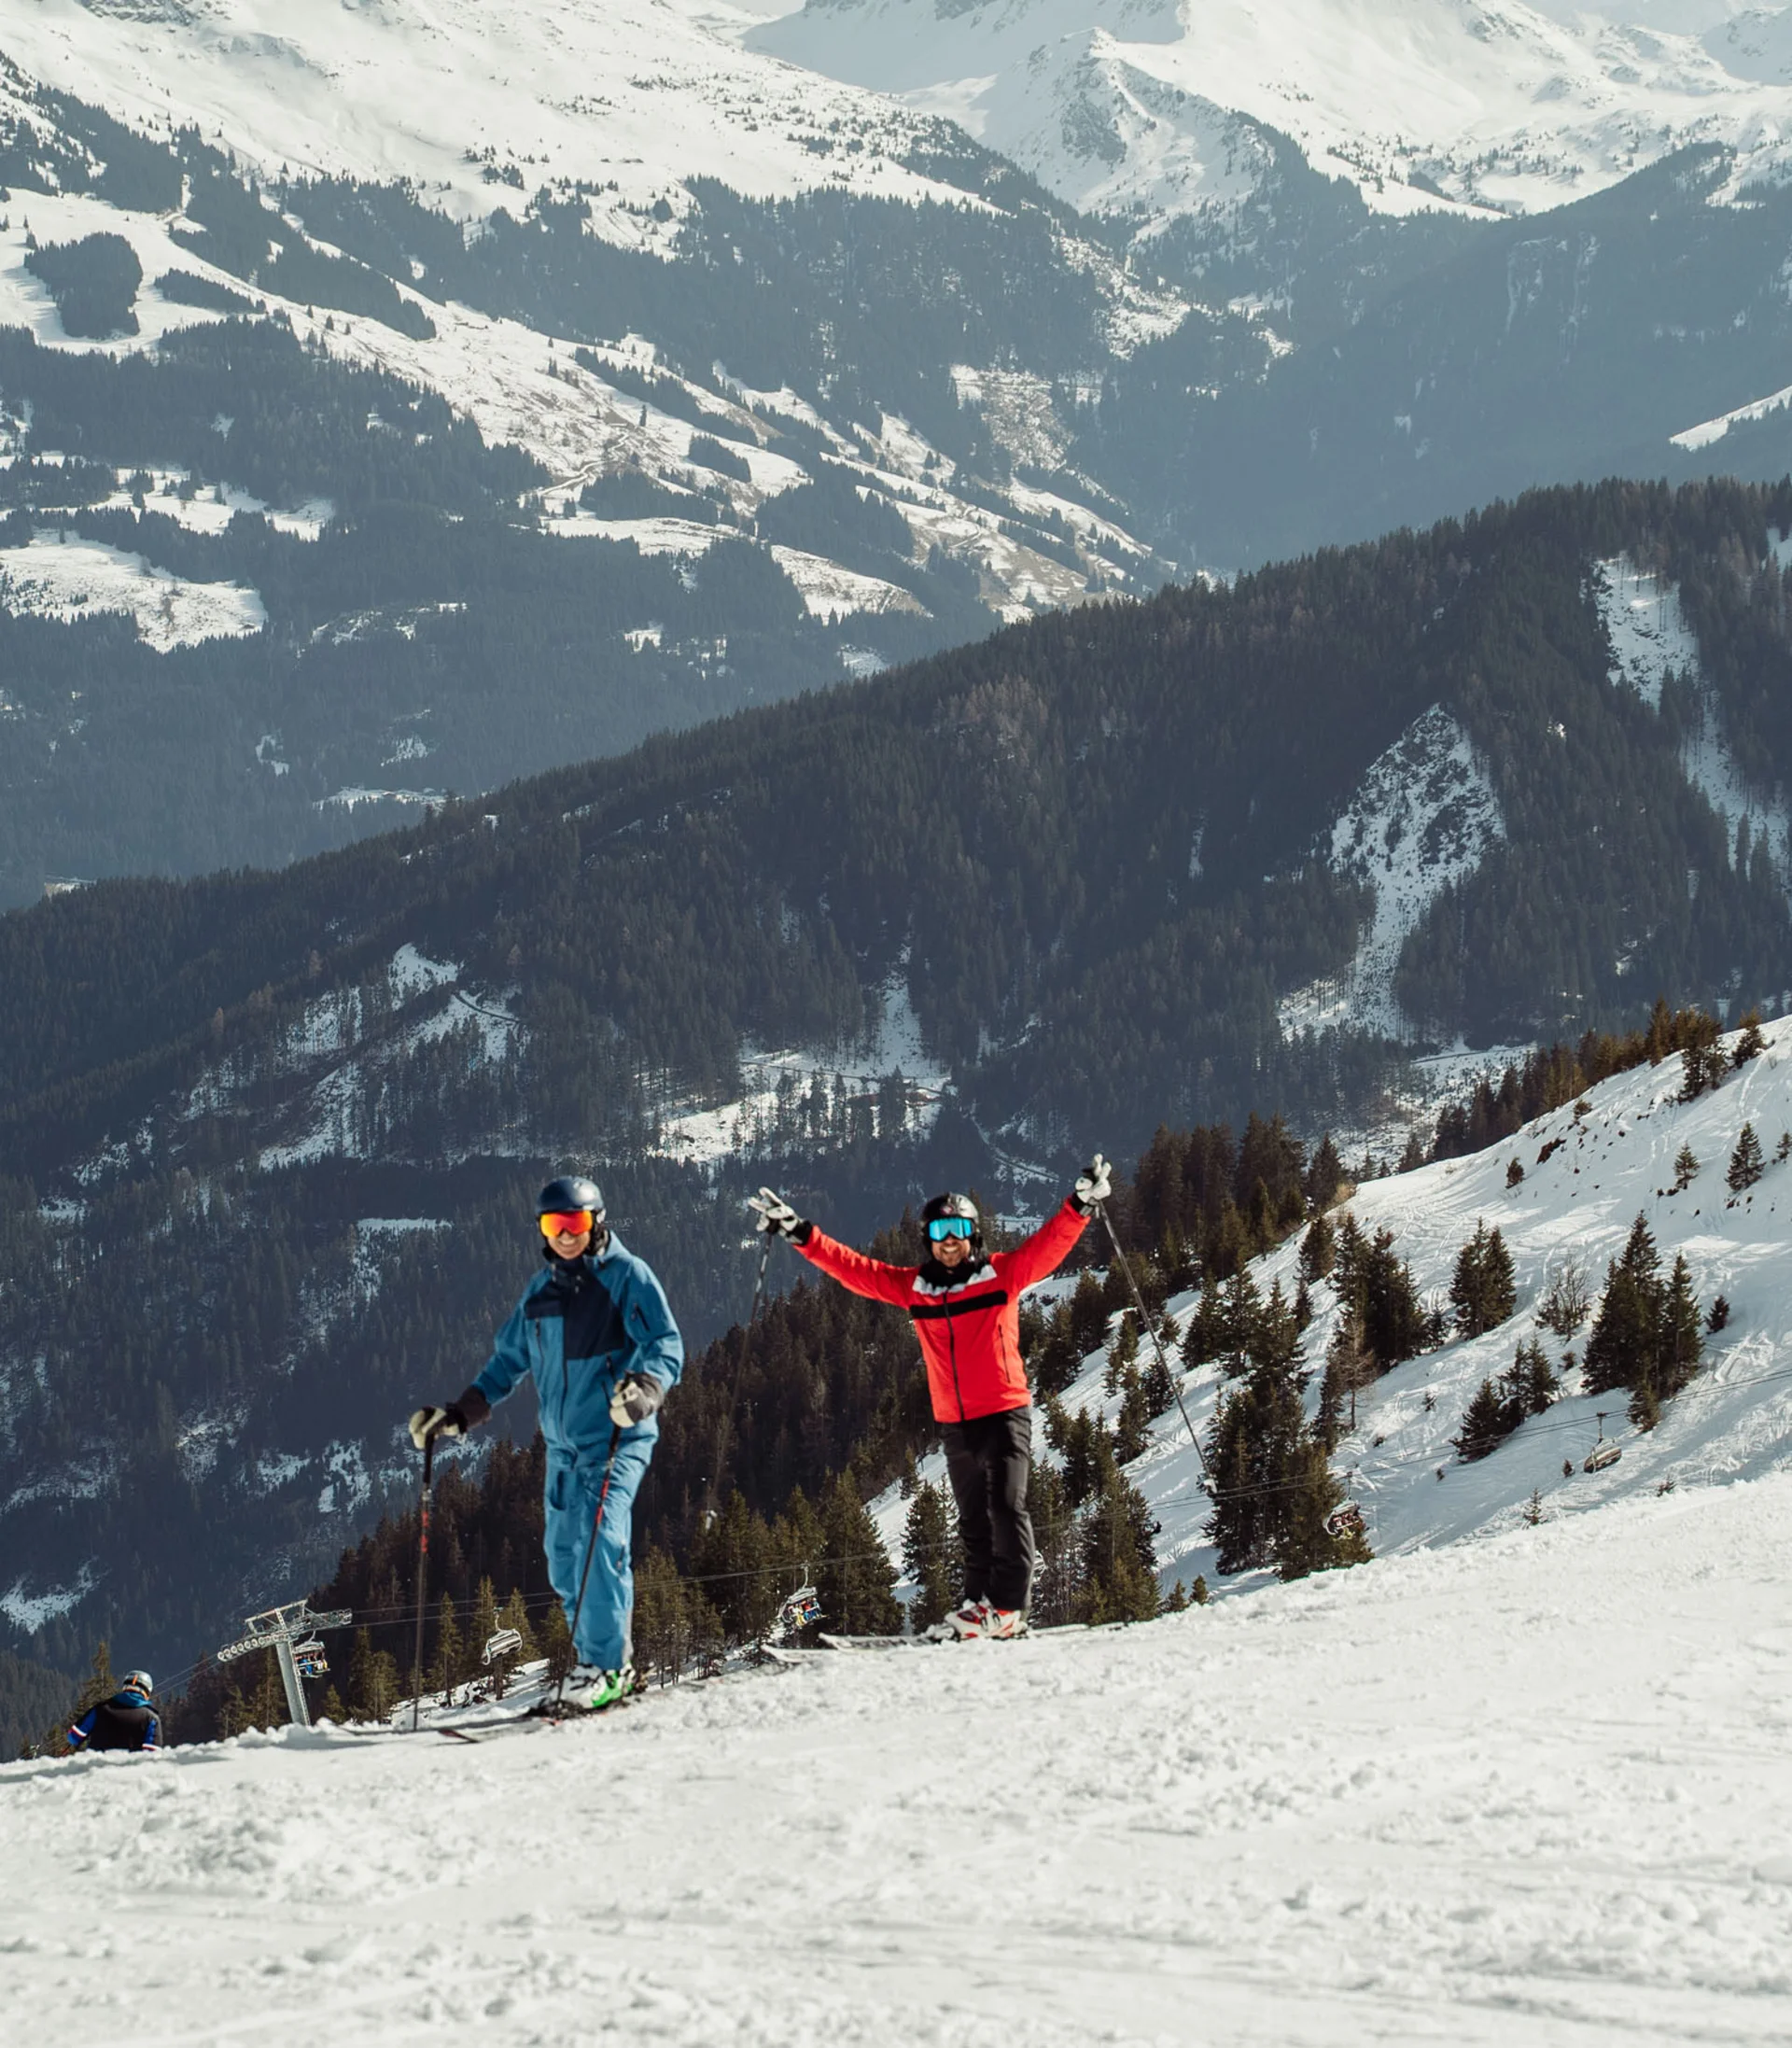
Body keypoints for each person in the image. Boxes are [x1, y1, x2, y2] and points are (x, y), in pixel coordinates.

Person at [749, 1157, 1111, 1639]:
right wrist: (799, 1232)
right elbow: (853, 1269)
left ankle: (1006, 1608)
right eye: (940, 1231)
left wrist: (1079, 1205)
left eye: (959, 1228)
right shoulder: (918, 1290)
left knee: (1006, 1507)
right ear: (928, 1240)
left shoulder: (1000, 1277)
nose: (949, 1240)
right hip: (956, 1423)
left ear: (974, 1234)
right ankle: (975, 1606)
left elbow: (1048, 1249)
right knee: (973, 1521)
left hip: (1005, 1412)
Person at [408, 1175, 683, 1709]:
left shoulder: (626, 1277)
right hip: (564, 1450)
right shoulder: (541, 1294)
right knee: (562, 1556)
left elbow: (664, 1343)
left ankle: (610, 1669)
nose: (565, 1236)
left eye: (575, 1224)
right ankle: (589, 1663)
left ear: (597, 1222)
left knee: (600, 1541)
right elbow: (508, 1363)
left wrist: (646, 1387)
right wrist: (460, 1413)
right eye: (554, 1225)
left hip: (616, 1438)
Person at [67, 1670, 160, 1752]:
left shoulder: (101, 1708)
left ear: (125, 1688)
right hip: (131, 1770)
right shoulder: (151, 1718)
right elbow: (152, 1754)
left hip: (95, 1768)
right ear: (147, 1693)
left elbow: (73, 1737)